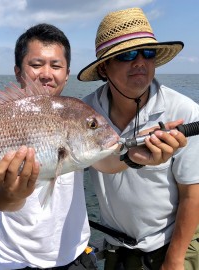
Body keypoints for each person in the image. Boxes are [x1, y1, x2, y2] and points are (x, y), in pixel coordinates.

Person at [0, 23, 186, 270]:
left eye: (56, 65)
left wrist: (134, 156)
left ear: (67, 74)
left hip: (74, 256)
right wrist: (11, 195)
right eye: (36, 65)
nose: (46, 73)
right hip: (12, 260)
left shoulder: (73, 114)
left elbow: (106, 161)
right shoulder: (3, 118)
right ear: (18, 71)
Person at [78, 7, 199, 270]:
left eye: (148, 52)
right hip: (115, 247)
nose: (140, 61)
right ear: (103, 69)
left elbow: (192, 194)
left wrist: (175, 260)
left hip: (171, 244)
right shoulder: (84, 113)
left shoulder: (184, 110)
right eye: (127, 54)